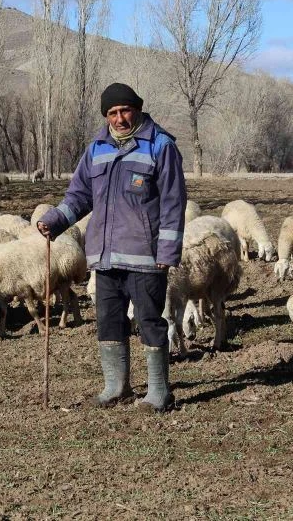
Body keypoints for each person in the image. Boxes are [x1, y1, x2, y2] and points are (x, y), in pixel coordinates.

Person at [37, 83, 186, 412]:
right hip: (104, 256)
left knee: (150, 321)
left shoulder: (160, 146)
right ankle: (116, 387)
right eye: (112, 113)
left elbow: (174, 203)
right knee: (109, 320)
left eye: (124, 111)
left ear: (137, 109)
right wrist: (55, 220)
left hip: (144, 256)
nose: (119, 118)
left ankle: (159, 392)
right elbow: (80, 195)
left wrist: (167, 253)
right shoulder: (96, 149)